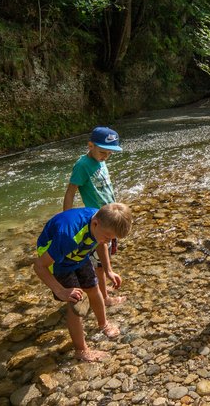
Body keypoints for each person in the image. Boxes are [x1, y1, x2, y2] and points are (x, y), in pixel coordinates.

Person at [34, 203, 133, 362]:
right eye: (107, 236)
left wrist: (108, 270)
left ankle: (103, 324)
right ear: (95, 224)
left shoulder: (100, 223)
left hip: (79, 255)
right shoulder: (68, 236)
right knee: (76, 302)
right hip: (57, 261)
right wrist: (60, 291)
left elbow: (101, 243)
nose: (108, 241)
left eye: (111, 239)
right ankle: (81, 350)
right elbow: (39, 266)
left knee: (94, 288)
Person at [63, 126, 124, 306]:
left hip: (109, 217)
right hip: (98, 222)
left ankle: (103, 286)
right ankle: (104, 298)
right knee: (98, 265)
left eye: (109, 153)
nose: (105, 156)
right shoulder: (82, 165)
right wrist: (67, 219)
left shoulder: (100, 160)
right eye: (102, 152)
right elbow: (70, 192)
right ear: (90, 145)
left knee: (105, 258)